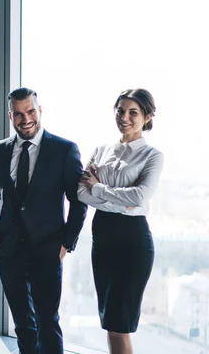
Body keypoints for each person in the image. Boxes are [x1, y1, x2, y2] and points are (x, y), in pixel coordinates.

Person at [0, 87, 87, 354]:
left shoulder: (64, 149)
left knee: (47, 321)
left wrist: (67, 243)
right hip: (8, 249)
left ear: (40, 111)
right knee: (23, 324)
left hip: (48, 248)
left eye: (30, 111)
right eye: (18, 114)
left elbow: (78, 201)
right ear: (10, 117)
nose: (25, 119)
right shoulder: (0, 150)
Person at [78, 89, 163, 354]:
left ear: (147, 117)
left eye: (133, 112)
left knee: (119, 323)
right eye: (120, 110)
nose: (124, 117)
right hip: (102, 239)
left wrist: (99, 189)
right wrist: (119, 201)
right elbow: (81, 193)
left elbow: (140, 197)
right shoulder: (101, 150)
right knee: (110, 321)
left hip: (132, 242)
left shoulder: (152, 156)